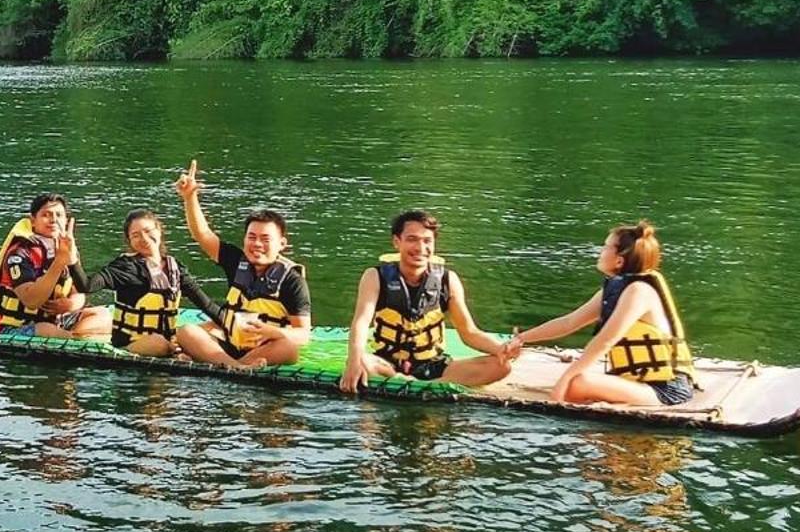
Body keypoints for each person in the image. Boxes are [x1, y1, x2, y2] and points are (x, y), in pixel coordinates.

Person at [506, 221, 696, 407]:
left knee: (576, 383)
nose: (600, 252)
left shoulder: (638, 291)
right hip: (638, 382)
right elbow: (569, 322)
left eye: (605, 247)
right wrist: (521, 338)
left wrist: (564, 380)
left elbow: (606, 340)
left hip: (666, 389)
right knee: (576, 381)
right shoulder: (615, 289)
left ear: (619, 260)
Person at [338, 209, 518, 394]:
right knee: (361, 361)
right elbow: (361, 322)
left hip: (433, 366)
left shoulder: (448, 280)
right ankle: (420, 385)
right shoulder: (374, 277)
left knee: (501, 366)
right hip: (387, 364)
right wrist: (353, 360)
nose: (420, 248)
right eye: (412, 239)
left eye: (427, 241)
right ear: (396, 242)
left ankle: (427, 385)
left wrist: (501, 349)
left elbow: (469, 332)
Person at [172, 162, 309, 368]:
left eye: (265, 239)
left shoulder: (291, 280)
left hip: (265, 347)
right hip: (229, 342)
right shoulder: (237, 261)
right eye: (252, 237)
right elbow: (203, 235)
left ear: (282, 244)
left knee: (289, 349)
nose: (257, 244)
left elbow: (303, 334)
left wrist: (273, 332)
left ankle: (227, 364)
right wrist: (190, 198)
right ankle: (237, 367)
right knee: (186, 332)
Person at [0, 193, 111, 339]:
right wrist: (59, 262)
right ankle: (71, 338)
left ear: (66, 221)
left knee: (104, 316)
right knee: (46, 330)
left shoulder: (67, 248)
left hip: (56, 321)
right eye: (46, 215)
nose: (53, 220)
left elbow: (78, 291)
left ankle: (70, 336)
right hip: (14, 326)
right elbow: (31, 301)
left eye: (59, 215)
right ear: (33, 221)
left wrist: (70, 304)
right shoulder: (19, 254)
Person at [88, 208, 198, 357]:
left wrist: (231, 326)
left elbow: (206, 304)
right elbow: (87, 286)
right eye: (135, 235)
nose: (144, 238)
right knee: (159, 343)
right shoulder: (125, 267)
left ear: (159, 230)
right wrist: (71, 261)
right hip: (132, 345)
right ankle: (174, 351)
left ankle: (176, 350)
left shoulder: (176, 269)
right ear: (129, 241)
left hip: (169, 340)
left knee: (198, 332)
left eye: (148, 231)